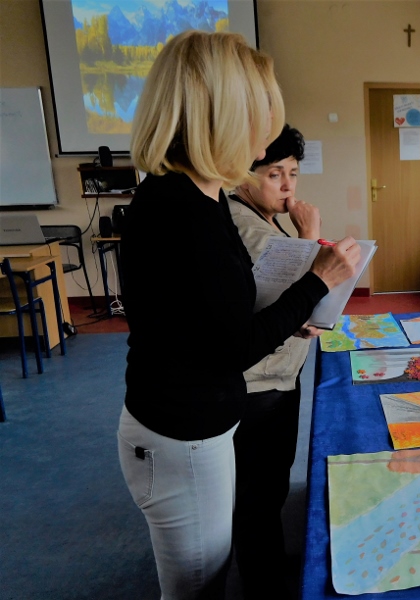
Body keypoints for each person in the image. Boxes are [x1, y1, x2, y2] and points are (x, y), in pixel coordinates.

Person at [116, 30, 360, 600]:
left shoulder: (195, 199)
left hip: (196, 423)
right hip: (181, 432)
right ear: (223, 116)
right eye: (260, 110)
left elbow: (222, 318)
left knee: (219, 560)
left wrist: (297, 299)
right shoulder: (183, 212)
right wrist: (318, 281)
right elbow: (233, 347)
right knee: (198, 586)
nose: (268, 132)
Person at [226, 124, 321, 597]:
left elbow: (280, 298)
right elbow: (307, 291)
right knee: (260, 487)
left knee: (271, 480)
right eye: (274, 174)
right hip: (260, 383)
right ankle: (261, 579)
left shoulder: (258, 215)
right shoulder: (245, 224)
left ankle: (266, 558)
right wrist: (312, 235)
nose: (287, 186)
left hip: (277, 373)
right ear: (244, 175)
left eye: (293, 174)